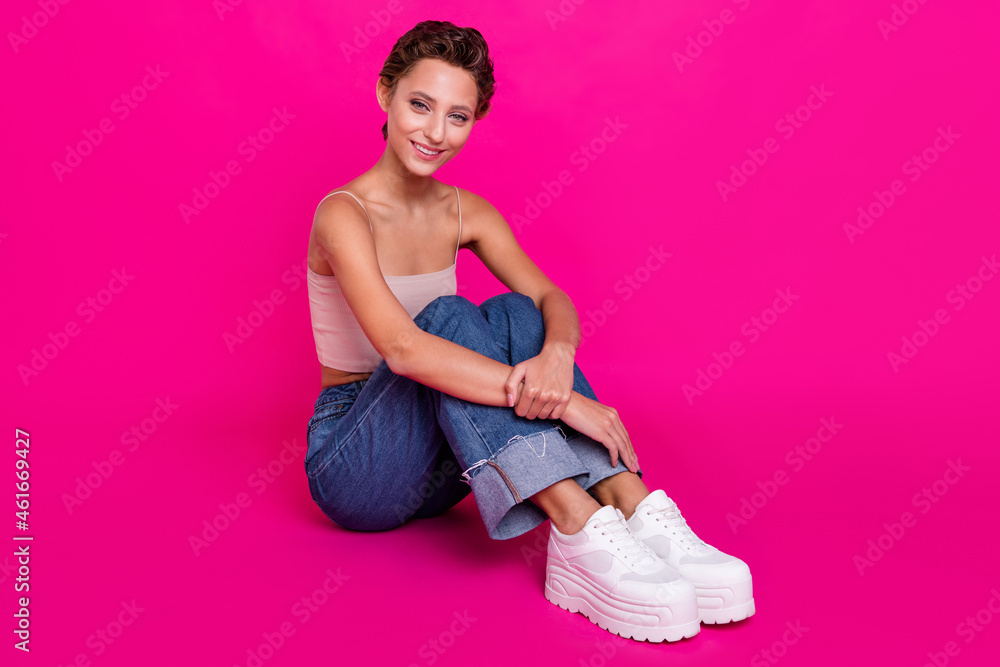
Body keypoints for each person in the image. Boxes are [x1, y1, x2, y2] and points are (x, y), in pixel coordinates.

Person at [303, 19, 753, 643]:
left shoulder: (466, 211)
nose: (435, 132)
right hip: (356, 463)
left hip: (450, 465)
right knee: (451, 316)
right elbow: (404, 350)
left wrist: (559, 355)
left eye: (457, 117)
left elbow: (549, 297)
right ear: (385, 93)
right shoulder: (342, 213)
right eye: (420, 105)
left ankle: (631, 505)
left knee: (517, 313)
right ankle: (575, 523)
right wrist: (565, 402)